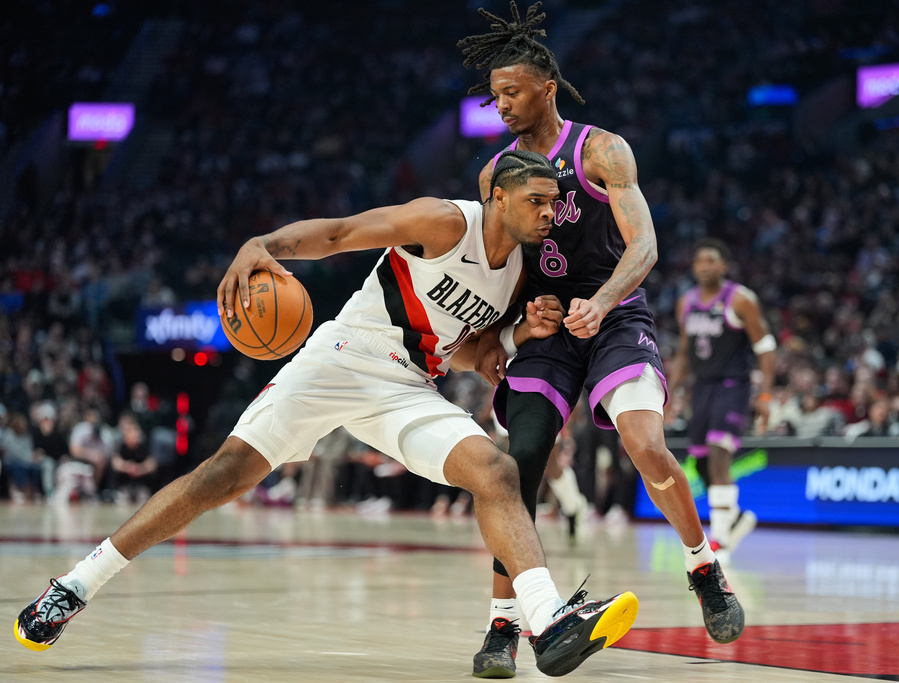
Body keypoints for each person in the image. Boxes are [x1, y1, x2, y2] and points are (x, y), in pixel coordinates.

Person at [15, 150, 639, 678]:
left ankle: (549, 623)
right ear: (499, 198)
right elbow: (341, 234)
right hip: (341, 359)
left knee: (497, 473)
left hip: (408, 387)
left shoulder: (519, 276)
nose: (550, 213)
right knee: (222, 475)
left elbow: (471, 350)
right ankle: (74, 586)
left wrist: (517, 338)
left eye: (554, 203)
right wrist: (263, 244)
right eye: (537, 200)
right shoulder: (446, 222)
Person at [459, 4, 744, 678]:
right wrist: (515, 325)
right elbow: (501, 266)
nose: (500, 106)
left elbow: (644, 243)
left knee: (645, 445)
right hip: (550, 327)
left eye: (511, 93)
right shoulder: (494, 172)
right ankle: (504, 623)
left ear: (546, 88)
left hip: (614, 313)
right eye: (495, 95)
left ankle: (704, 567)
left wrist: (603, 299)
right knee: (518, 463)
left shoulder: (600, 150)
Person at [667, 238, 777, 566]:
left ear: (723, 267)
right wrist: (671, 393)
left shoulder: (741, 299)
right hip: (702, 387)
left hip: (733, 385)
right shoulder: (686, 302)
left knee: (718, 456)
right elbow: (685, 353)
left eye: (711, 261)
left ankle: (722, 540)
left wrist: (766, 395)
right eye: (699, 261)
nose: (704, 266)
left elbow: (766, 347)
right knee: (700, 464)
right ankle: (737, 517)